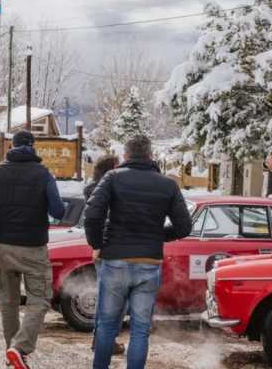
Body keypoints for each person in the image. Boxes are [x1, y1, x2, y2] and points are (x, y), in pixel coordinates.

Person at [84, 135, 192, 369]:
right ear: (150, 155)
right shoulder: (168, 184)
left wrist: (97, 244)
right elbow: (185, 226)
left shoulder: (112, 178)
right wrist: (157, 235)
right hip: (148, 262)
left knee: (106, 325)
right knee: (140, 329)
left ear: (125, 155)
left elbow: (92, 215)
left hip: (114, 261)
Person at [0, 130, 66, 369]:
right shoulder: (43, 174)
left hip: (4, 247)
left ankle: (12, 353)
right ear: (33, 147)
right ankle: (19, 347)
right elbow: (58, 211)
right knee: (40, 299)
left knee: (8, 301)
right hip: (34, 247)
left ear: (12, 148)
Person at [83, 154, 123, 355]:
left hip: (100, 247)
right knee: (114, 299)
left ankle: (101, 339)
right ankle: (103, 340)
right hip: (112, 246)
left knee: (105, 295)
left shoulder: (92, 189)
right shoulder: (112, 189)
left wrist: (95, 244)